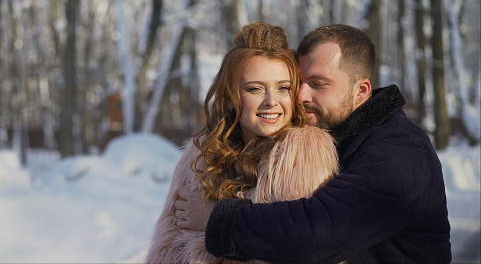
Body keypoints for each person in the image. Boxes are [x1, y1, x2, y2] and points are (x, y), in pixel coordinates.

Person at [176, 24, 452, 263]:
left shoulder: (400, 151)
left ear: (361, 91)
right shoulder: (324, 136)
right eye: (299, 83)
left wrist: (218, 218)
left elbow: (318, 233)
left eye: (318, 84)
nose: (300, 96)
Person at [145, 22, 340, 263]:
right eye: (255, 89)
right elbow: (168, 249)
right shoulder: (201, 154)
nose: (271, 101)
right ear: (229, 98)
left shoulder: (303, 154)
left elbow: (298, 246)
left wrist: (215, 218)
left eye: (283, 88)